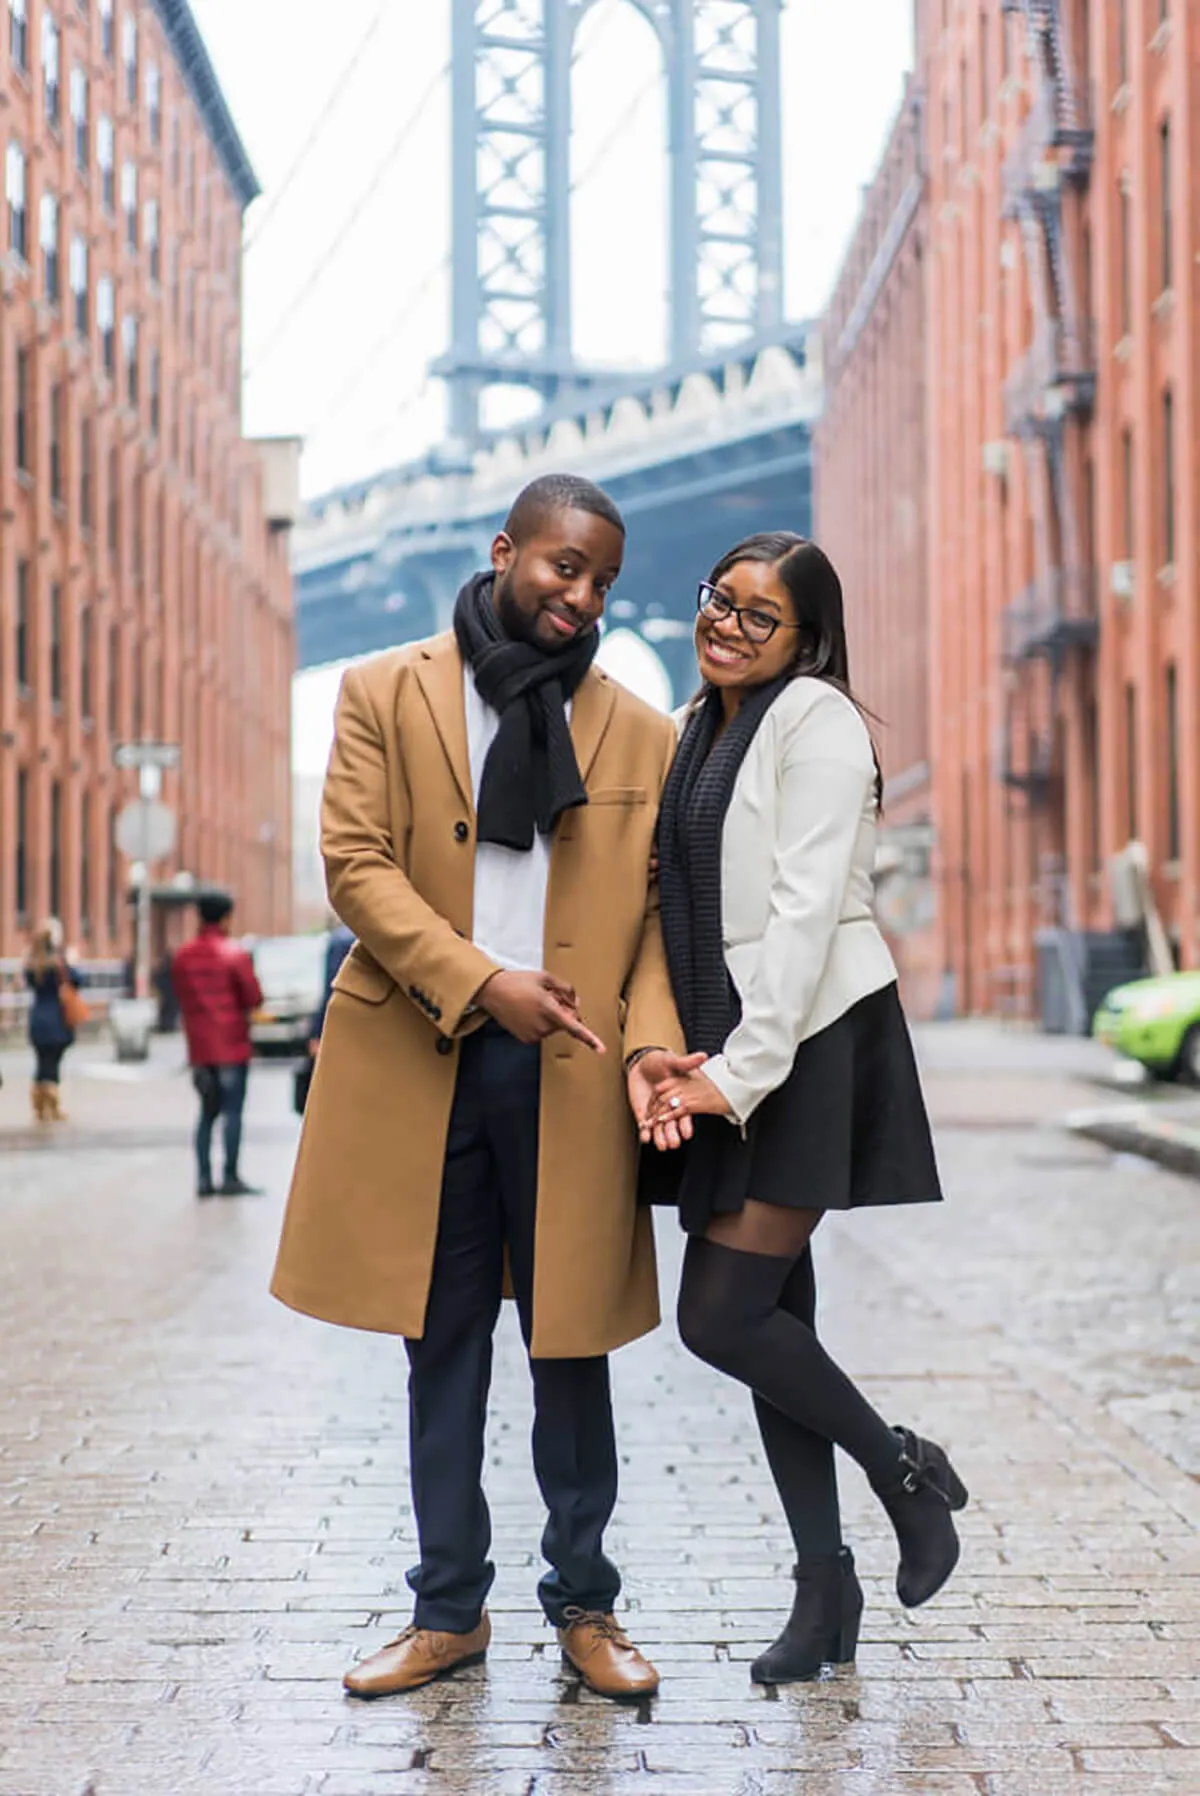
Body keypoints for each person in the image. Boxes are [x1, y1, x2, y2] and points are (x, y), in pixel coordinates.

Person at [271, 473, 697, 1702]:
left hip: (575, 1071)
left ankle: (588, 1605)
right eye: (565, 566)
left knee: (572, 1347)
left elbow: (665, 921)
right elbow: (354, 862)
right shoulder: (384, 691)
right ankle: (447, 1608)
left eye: (605, 579)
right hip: (428, 1056)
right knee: (440, 1341)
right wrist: (478, 979)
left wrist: (654, 1043)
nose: (584, 595)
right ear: (508, 550)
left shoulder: (640, 730)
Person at [641, 533, 966, 1687]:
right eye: (717, 599)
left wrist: (736, 1071)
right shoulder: (702, 727)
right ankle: (824, 1589)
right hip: (735, 1039)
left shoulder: (817, 721)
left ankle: (903, 1473)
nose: (726, 624)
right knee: (776, 1326)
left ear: (810, 637)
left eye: (758, 616)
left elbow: (803, 908)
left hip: (808, 1034)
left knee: (721, 1315)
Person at [172, 892, 264, 1199]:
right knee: (233, 1113)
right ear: (226, 917)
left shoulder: (183, 957)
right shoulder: (234, 955)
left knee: (206, 1114)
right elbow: (253, 998)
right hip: (232, 1047)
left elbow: (179, 997)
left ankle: (202, 1179)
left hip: (200, 1051)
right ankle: (230, 1176)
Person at [24, 919, 82, 1122]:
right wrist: (71, 961)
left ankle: (39, 1106)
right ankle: (52, 1105)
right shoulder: (59, 964)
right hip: (56, 1017)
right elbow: (78, 980)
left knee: (41, 1062)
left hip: (37, 1017)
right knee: (53, 1062)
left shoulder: (32, 964)